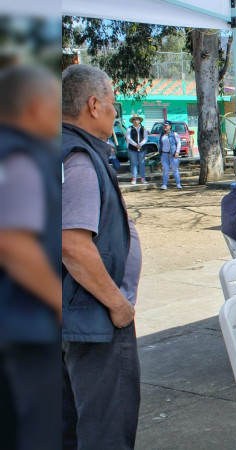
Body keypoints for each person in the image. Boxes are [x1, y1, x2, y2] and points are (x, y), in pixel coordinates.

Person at [61, 64, 141, 449]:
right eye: (113, 101)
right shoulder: (78, 158)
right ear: (94, 105)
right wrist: (118, 305)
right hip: (91, 321)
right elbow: (73, 246)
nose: (115, 110)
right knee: (105, 432)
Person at [0, 64, 62, 450]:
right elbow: (13, 243)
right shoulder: (20, 157)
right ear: (38, 107)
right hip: (25, 327)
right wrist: (57, 301)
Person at [158, 120, 182, 189]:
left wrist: (177, 152)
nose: (165, 127)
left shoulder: (174, 134)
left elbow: (178, 143)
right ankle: (164, 184)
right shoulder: (162, 134)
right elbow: (160, 143)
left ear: (170, 126)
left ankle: (178, 183)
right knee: (165, 169)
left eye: (166, 125)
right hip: (164, 154)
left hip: (173, 154)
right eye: (164, 125)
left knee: (175, 169)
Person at [126, 114, 148, 184]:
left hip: (142, 148)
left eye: (137, 119)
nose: (136, 121)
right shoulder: (129, 128)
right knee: (133, 163)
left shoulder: (144, 128)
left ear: (139, 121)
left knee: (142, 163)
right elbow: (128, 138)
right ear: (132, 121)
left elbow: (146, 138)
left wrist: (140, 144)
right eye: (134, 119)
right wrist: (136, 145)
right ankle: (134, 178)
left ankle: (142, 178)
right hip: (132, 148)